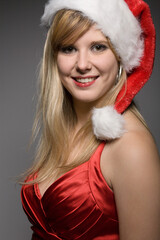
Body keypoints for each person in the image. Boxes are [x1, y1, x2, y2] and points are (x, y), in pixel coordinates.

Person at [21, 0, 160, 239]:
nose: (82, 65)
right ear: (54, 57)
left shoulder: (130, 146)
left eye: (98, 47)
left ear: (120, 56)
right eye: (69, 48)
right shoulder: (66, 128)